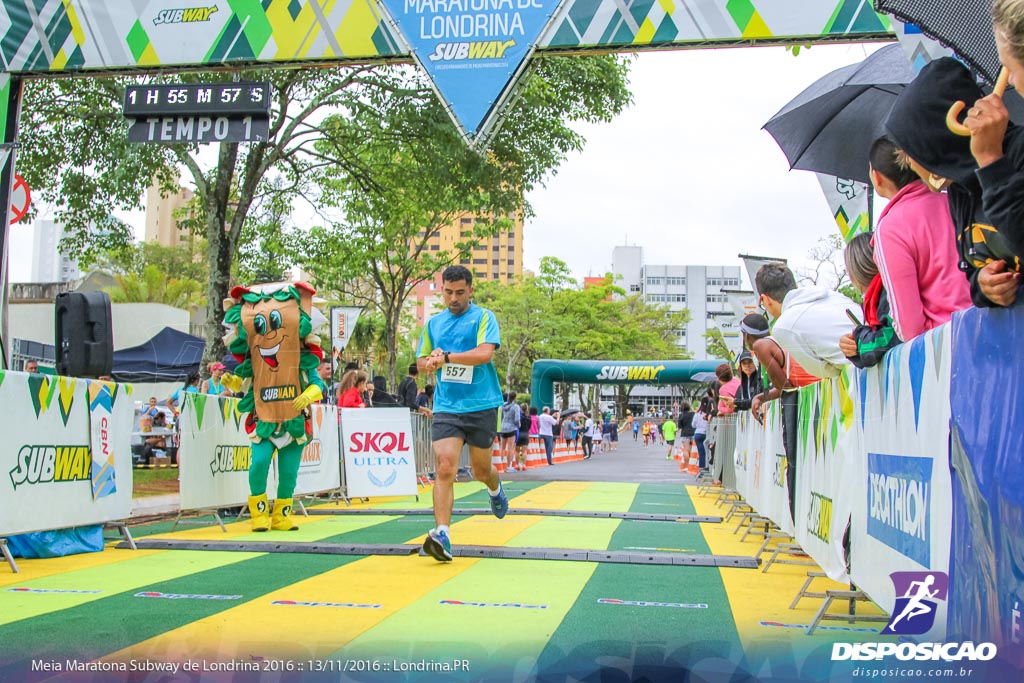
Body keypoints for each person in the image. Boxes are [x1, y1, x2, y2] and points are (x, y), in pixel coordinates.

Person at [885, 57, 1022, 308]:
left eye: (914, 154)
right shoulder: (960, 189)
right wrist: (983, 285)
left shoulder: (1017, 153)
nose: (917, 169)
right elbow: (971, 270)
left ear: (936, 141)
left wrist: (992, 163)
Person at [416, 265, 508, 563]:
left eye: (459, 292)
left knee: (481, 470)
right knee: (445, 467)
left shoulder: (483, 317)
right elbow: (419, 361)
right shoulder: (433, 324)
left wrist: (448, 357)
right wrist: (429, 362)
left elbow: (484, 354)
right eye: (448, 292)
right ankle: (442, 534)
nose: (453, 298)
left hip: (482, 405)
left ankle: (495, 489)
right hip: (446, 407)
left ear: (470, 290)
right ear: (441, 290)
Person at [223, 281, 326, 533]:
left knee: (289, 473)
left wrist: (309, 395)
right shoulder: (256, 361)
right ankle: (258, 516)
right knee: (258, 464)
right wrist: (233, 381)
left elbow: (318, 384)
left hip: (293, 422)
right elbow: (248, 384)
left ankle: (281, 516)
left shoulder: (303, 361)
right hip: (264, 419)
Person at [868, 137, 971, 341]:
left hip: (948, 345)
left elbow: (909, 327)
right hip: (995, 324)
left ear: (877, 177)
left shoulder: (890, 229)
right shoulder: (957, 200)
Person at [755, 262, 855, 379]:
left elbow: (823, 372)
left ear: (765, 299)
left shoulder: (783, 326)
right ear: (795, 285)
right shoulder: (833, 295)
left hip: (861, 374)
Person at [839, 233, 902, 368]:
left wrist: (859, 338)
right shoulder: (874, 300)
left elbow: (890, 337)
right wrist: (852, 348)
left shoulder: (889, 291)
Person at [499, 392, 521, 472]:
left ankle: (500, 464)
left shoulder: (503, 406)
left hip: (503, 427)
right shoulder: (516, 407)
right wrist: (518, 425)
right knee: (510, 448)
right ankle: (509, 466)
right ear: (515, 397)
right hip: (511, 428)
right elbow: (517, 419)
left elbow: (501, 417)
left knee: (502, 447)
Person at [692, 399, 709, 470]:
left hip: (698, 434)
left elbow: (693, 425)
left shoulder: (697, 414)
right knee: (708, 452)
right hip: (706, 434)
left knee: (701, 452)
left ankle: (701, 467)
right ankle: (707, 466)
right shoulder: (708, 414)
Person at [516, 401, 532, 469]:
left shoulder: (519, 416)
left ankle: (517, 465)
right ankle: (524, 465)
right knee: (524, 451)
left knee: (517, 451)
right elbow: (529, 427)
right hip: (525, 434)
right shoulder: (529, 417)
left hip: (519, 434)